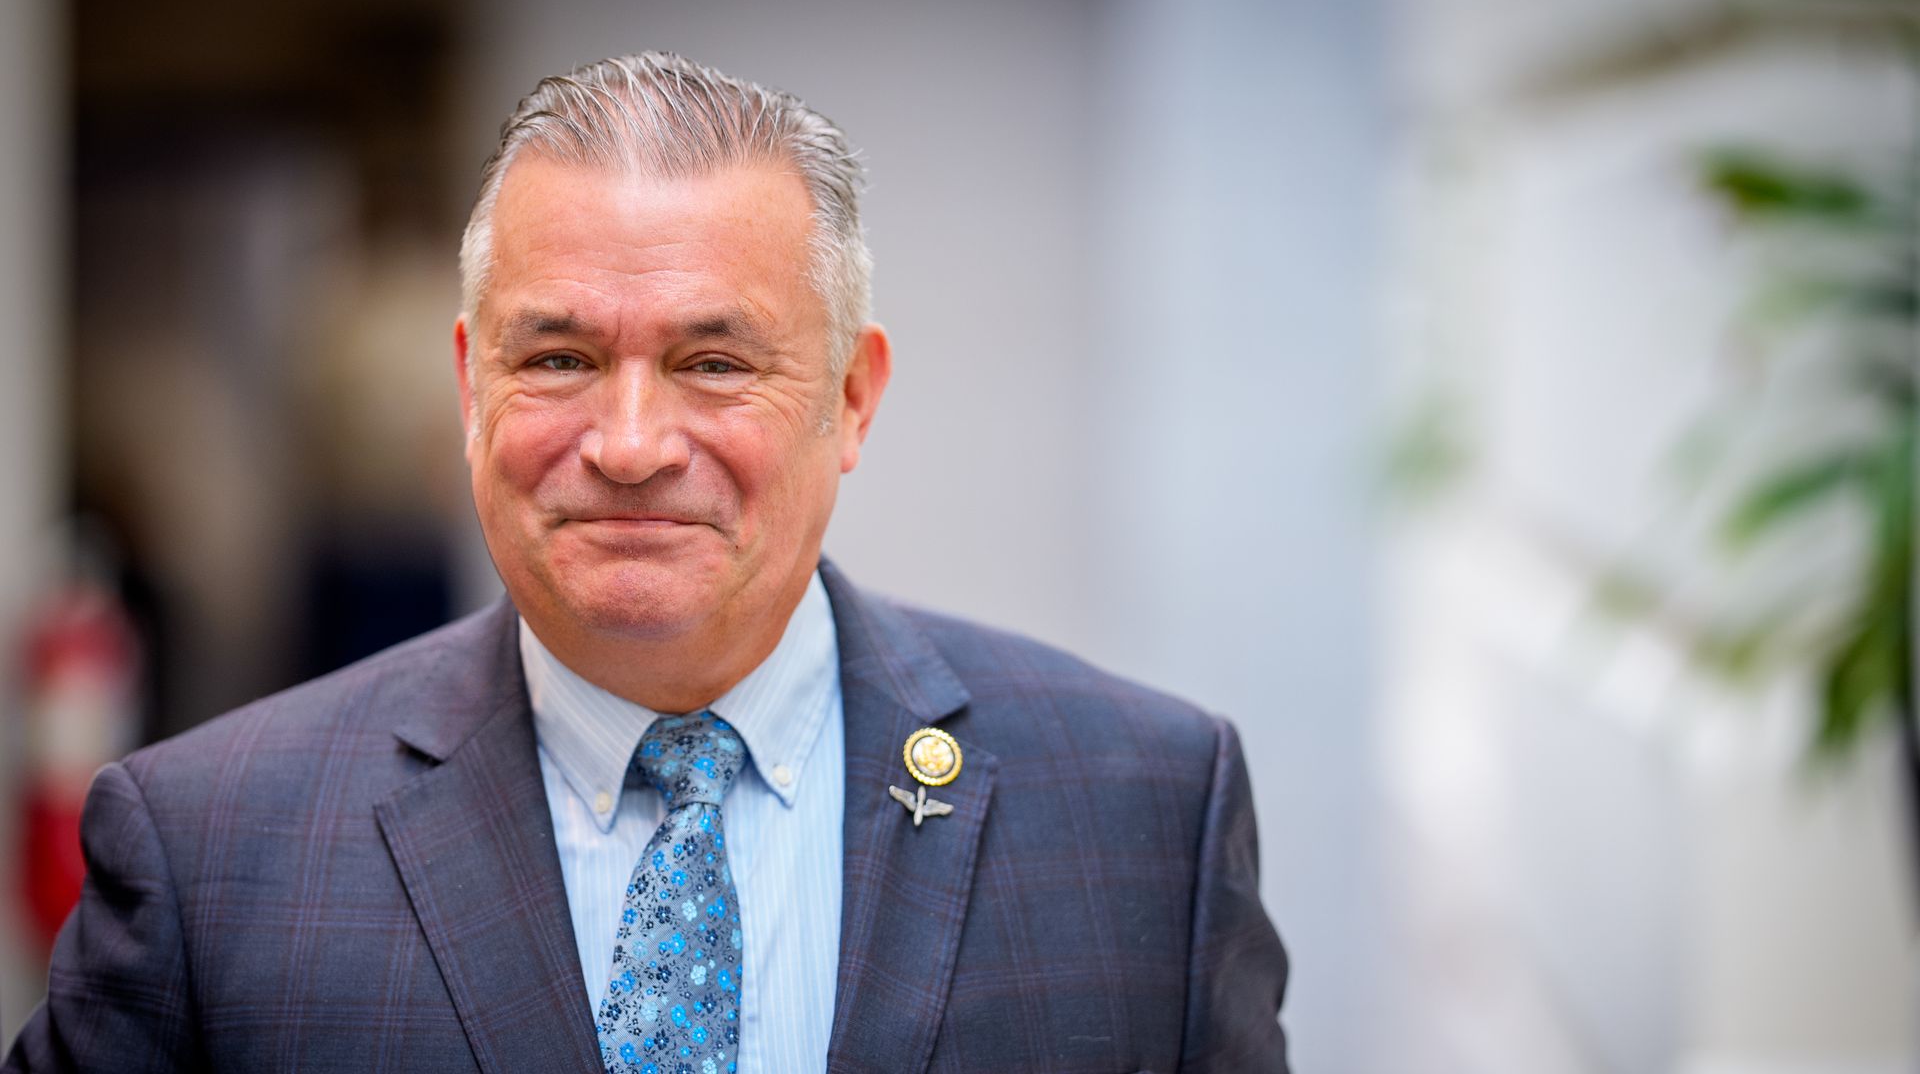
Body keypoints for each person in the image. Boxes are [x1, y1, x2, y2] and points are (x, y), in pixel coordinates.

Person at [5, 52, 1289, 1073]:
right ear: (470, 387)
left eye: (714, 363)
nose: (626, 446)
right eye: (558, 359)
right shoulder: (211, 854)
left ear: (851, 397)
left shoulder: (1144, 819)